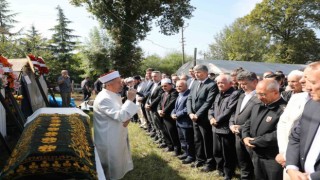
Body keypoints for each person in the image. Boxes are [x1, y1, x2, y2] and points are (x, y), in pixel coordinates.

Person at [93, 70, 139, 180]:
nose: (121, 84)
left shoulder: (112, 94)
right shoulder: (104, 98)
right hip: (109, 137)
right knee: (111, 164)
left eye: (121, 81)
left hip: (116, 132)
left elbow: (121, 113)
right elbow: (121, 116)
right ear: (109, 84)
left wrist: (126, 117)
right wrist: (130, 99)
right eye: (119, 82)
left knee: (118, 160)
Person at [242, 79, 286, 180]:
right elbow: (247, 124)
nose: (259, 97)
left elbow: (278, 134)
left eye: (262, 94)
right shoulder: (258, 106)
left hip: (272, 158)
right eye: (257, 94)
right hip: (257, 154)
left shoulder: (283, 109)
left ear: (275, 92)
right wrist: (245, 137)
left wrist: (255, 141)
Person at [286, 62, 320, 180]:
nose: (308, 87)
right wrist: (292, 168)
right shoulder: (311, 105)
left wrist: (311, 177)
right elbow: (296, 137)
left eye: (314, 82)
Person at [276, 67, 311, 180]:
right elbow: (283, 124)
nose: (302, 81)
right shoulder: (295, 98)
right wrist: (284, 153)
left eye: (307, 78)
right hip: (289, 156)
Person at [187, 65, 219, 172]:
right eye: (195, 72)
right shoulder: (195, 83)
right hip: (194, 117)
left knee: (207, 141)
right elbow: (190, 98)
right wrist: (190, 112)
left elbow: (209, 102)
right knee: (197, 140)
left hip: (204, 118)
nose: (196, 74)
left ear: (206, 72)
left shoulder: (212, 85)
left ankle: (210, 163)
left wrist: (198, 114)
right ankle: (200, 159)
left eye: (198, 72)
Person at [209, 73, 241, 178]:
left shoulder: (234, 94)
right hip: (215, 128)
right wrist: (211, 118)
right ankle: (220, 169)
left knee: (227, 153)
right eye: (218, 82)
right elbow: (211, 108)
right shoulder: (219, 94)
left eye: (222, 82)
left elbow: (229, 110)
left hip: (225, 129)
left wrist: (216, 119)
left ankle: (228, 173)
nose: (220, 84)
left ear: (230, 83)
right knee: (216, 151)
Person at [229, 71, 259, 180]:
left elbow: (256, 118)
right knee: (243, 163)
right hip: (237, 135)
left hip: (250, 136)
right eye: (240, 84)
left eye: (245, 83)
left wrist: (241, 127)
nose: (242, 86)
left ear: (255, 82)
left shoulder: (259, 97)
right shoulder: (241, 96)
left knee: (254, 164)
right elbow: (235, 113)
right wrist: (232, 124)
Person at [171, 80, 195, 164]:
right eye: (177, 86)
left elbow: (187, 109)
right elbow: (175, 107)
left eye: (180, 86)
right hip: (179, 121)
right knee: (182, 139)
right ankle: (186, 152)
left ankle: (191, 156)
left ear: (186, 86)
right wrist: (172, 113)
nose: (178, 88)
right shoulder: (179, 94)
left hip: (186, 122)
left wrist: (177, 114)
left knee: (188, 140)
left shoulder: (189, 95)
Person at [157, 78, 180, 155]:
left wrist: (163, 111)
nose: (164, 88)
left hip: (170, 116)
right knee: (165, 131)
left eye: (165, 86)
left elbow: (171, 103)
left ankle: (177, 149)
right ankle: (170, 146)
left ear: (171, 85)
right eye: (162, 86)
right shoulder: (163, 93)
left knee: (172, 133)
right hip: (162, 116)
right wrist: (159, 110)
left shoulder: (174, 92)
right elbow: (160, 104)